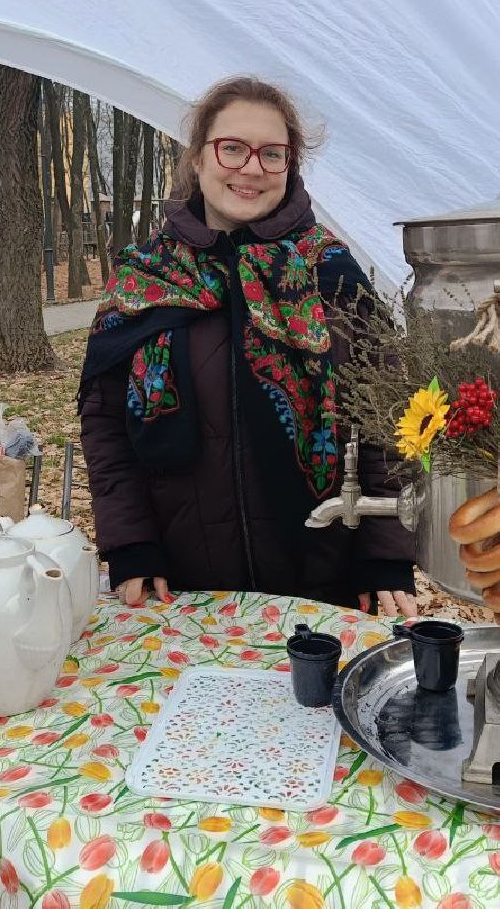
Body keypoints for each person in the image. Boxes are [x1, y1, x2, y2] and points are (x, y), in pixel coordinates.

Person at [79, 77, 419, 615]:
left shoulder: (331, 274)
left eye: (271, 154)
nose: (251, 168)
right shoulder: (145, 278)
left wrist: (386, 554)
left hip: (325, 580)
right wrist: (130, 545)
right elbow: (104, 425)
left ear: (290, 166)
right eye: (232, 148)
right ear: (198, 157)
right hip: (181, 589)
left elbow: (390, 419)